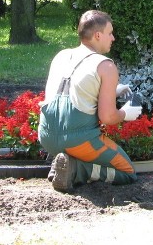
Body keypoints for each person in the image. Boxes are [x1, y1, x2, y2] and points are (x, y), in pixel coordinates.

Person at [38, 10, 142, 192]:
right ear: (98, 35)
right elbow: (108, 117)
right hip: (79, 140)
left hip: (46, 137)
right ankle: (76, 169)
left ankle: (65, 162)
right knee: (127, 172)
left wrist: (113, 91)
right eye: (110, 33)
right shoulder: (106, 65)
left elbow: (72, 90)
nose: (113, 38)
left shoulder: (61, 56)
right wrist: (127, 113)